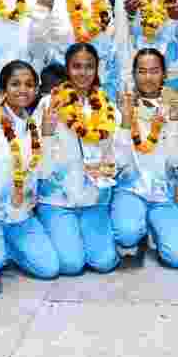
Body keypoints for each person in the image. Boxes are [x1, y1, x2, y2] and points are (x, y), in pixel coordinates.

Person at [0, 61, 62, 287]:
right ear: (2, 90)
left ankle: (7, 247)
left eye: (29, 84)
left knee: (49, 268)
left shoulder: (34, 127)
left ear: (37, 90)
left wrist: (48, 133)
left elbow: (44, 172)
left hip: (22, 217)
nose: (23, 90)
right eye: (15, 84)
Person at [36, 43, 122, 275]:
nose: (83, 73)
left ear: (96, 70)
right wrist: (46, 133)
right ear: (67, 69)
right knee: (71, 265)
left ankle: (90, 237)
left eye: (89, 67)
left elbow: (117, 154)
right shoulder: (49, 103)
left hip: (94, 199)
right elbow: (36, 161)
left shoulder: (108, 107)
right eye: (76, 66)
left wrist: (109, 167)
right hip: (57, 201)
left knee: (103, 263)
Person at [111, 49, 178, 268]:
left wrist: (174, 122)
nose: (148, 78)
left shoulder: (175, 105)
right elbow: (117, 162)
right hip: (130, 190)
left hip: (163, 195)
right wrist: (126, 123)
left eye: (154, 71)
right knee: (125, 234)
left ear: (164, 74)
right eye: (142, 71)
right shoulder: (122, 107)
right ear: (134, 74)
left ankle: (154, 228)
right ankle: (138, 226)